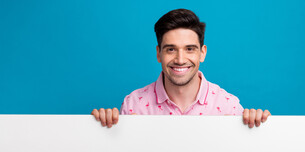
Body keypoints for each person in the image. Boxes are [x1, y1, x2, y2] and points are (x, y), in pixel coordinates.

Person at [92, 9, 271, 128]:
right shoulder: (134, 105)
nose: (180, 59)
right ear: (158, 54)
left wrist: (256, 126)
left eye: (189, 49)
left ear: (202, 53)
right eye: (171, 49)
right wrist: (102, 128)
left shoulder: (228, 106)